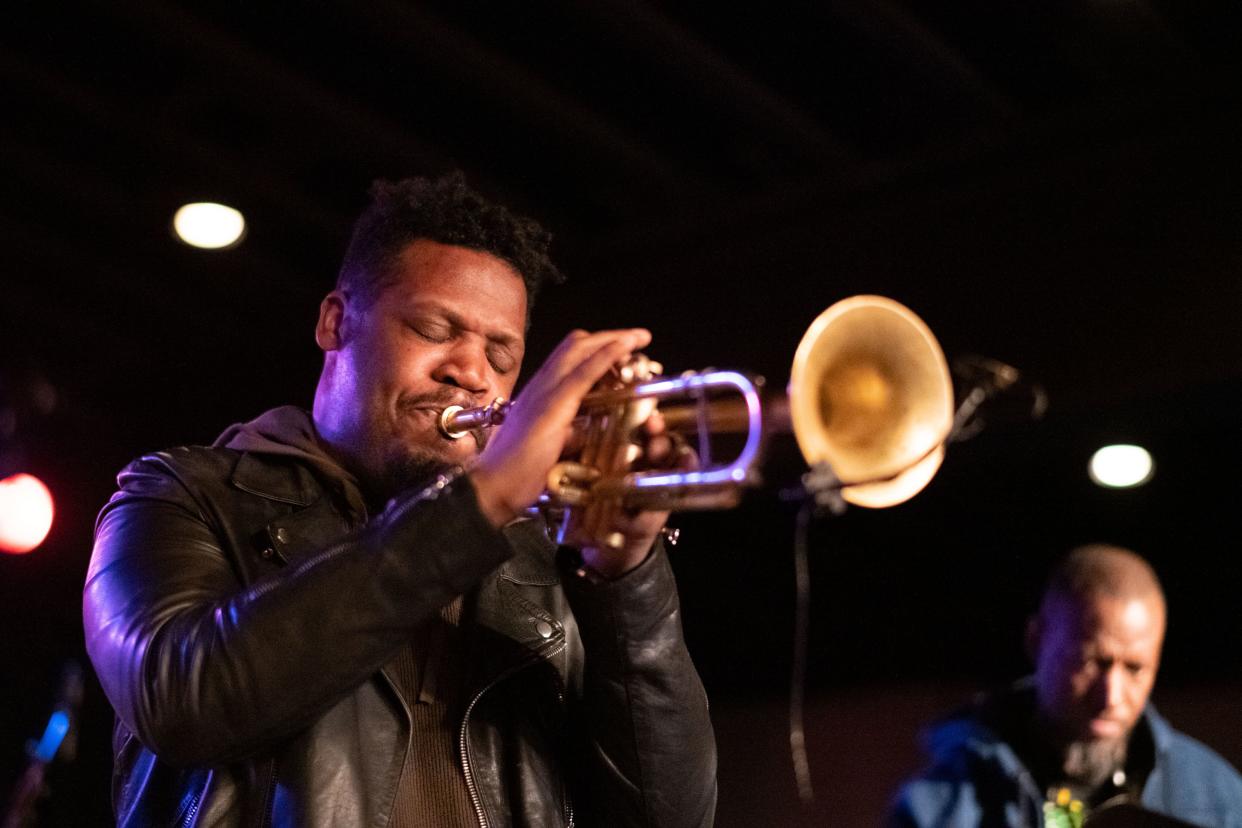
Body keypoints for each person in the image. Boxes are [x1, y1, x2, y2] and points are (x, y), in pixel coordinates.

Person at [83, 173, 717, 827]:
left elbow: (668, 817)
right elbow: (184, 702)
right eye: (434, 329)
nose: (471, 374)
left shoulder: (539, 552)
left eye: (501, 354)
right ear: (336, 322)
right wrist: (482, 498)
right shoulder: (181, 494)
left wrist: (626, 577)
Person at [889, 544, 1242, 827]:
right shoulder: (941, 802)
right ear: (1036, 641)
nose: (1111, 696)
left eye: (1135, 669)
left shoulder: (1216, 798)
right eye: (1091, 663)